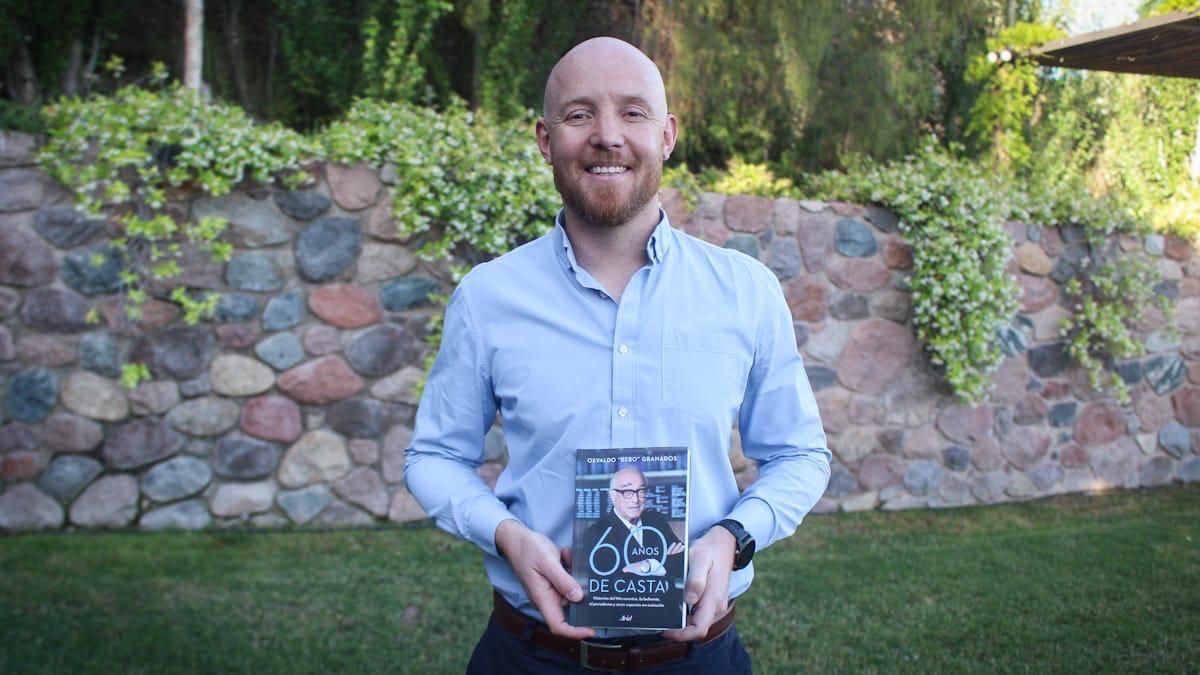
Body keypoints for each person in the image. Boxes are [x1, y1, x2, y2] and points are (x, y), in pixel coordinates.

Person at [405, 36, 831, 673]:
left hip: (699, 657)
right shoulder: (488, 297)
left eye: (633, 113)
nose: (607, 136)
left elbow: (800, 454)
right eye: (580, 114)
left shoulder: (745, 292)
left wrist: (733, 539)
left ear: (667, 134)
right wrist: (506, 535)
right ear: (547, 140)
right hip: (530, 656)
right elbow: (435, 457)